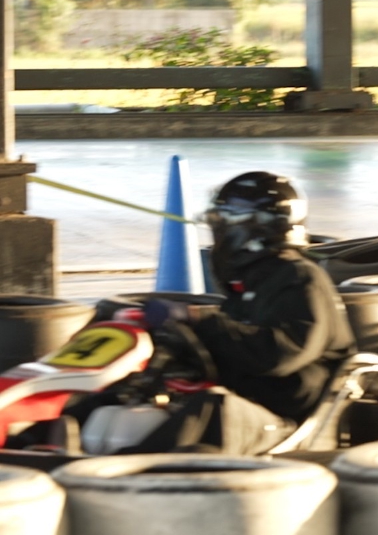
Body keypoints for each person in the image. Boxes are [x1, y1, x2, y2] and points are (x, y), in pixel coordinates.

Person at [14, 171, 357, 455]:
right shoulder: (252, 283)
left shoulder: (301, 279)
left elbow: (278, 355)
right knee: (113, 395)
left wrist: (197, 319)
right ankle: (27, 449)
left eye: (226, 222)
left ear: (259, 227)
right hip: (247, 398)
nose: (219, 232)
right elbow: (232, 346)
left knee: (211, 410)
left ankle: (119, 473)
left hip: (282, 418)